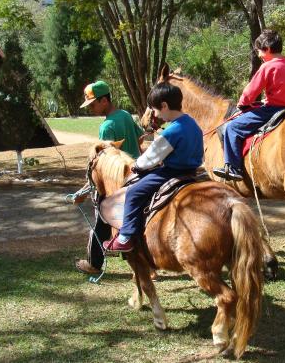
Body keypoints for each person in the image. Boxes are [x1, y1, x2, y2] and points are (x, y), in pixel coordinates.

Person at [103, 82, 203, 252]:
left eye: (155, 110)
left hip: (171, 172)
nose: (155, 115)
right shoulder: (193, 124)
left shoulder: (172, 131)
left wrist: (137, 165)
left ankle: (125, 236)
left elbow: (150, 159)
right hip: (192, 172)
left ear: (164, 106)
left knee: (134, 192)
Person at [75, 80, 145, 275]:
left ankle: (94, 264)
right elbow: (140, 138)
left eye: (93, 104)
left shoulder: (107, 126)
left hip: (117, 178)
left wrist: (86, 189)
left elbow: (104, 160)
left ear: (104, 100)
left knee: (102, 219)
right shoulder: (125, 115)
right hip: (138, 174)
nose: (91, 109)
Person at [213, 29, 285, 181]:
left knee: (232, 128)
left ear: (266, 49)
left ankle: (233, 168)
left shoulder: (268, 66)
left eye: (259, 51)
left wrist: (242, 104)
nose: (259, 55)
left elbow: (251, 91)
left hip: (273, 110)